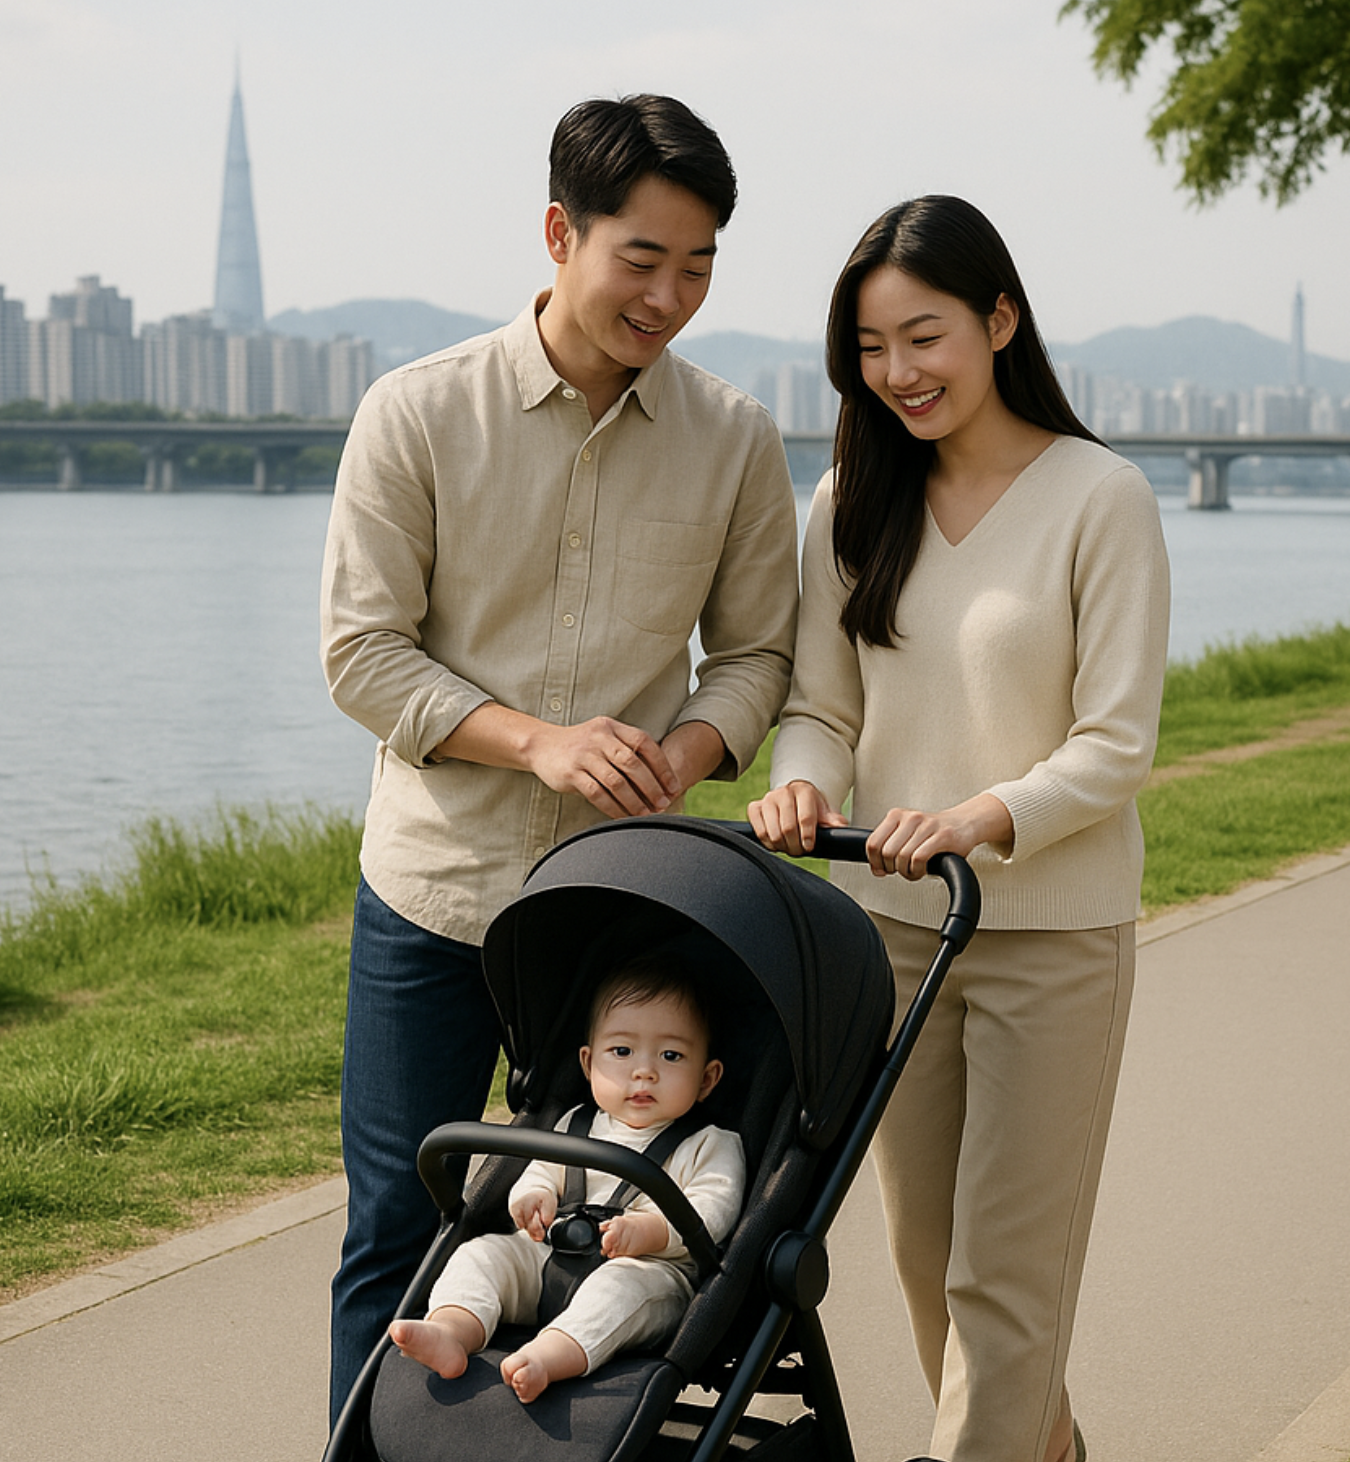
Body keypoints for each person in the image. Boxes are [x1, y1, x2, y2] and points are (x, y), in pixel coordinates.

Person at [319, 95, 797, 1423]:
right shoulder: (414, 414)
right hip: (436, 894)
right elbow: (361, 653)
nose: (669, 295)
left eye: (698, 264)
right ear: (557, 233)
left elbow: (757, 656)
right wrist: (537, 740)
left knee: (610, 1227)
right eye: (640, 258)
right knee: (395, 1229)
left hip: (618, 915)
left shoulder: (736, 439)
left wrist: (686, 749)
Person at [748, 197, 1170, 1462]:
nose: (898, 375)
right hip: (888, 937)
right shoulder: (849, 499)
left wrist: (980, 817)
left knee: (1004, 1283)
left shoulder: (1104, 496)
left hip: (1053, 936)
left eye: (923, 338)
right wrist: (805, 784)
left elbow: (1117, 740)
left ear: (1000, 317)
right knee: (928, 1268)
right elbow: (823, 703)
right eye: (872, 350)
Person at [387, 956, 744, 1404]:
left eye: (671, 1056)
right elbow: (541, 1170)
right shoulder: (576, 1123)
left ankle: (548, 1356)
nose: (644, 1071)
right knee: (482, 1254)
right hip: (549, 1256)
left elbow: (714, 1212)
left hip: (651, 1272)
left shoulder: (710, 1144)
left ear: (707, 1078)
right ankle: (452, 1331)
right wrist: (533, 1196)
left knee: (620, 1292)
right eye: (622, 1052)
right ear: (588, 1062)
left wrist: (651, 1231)